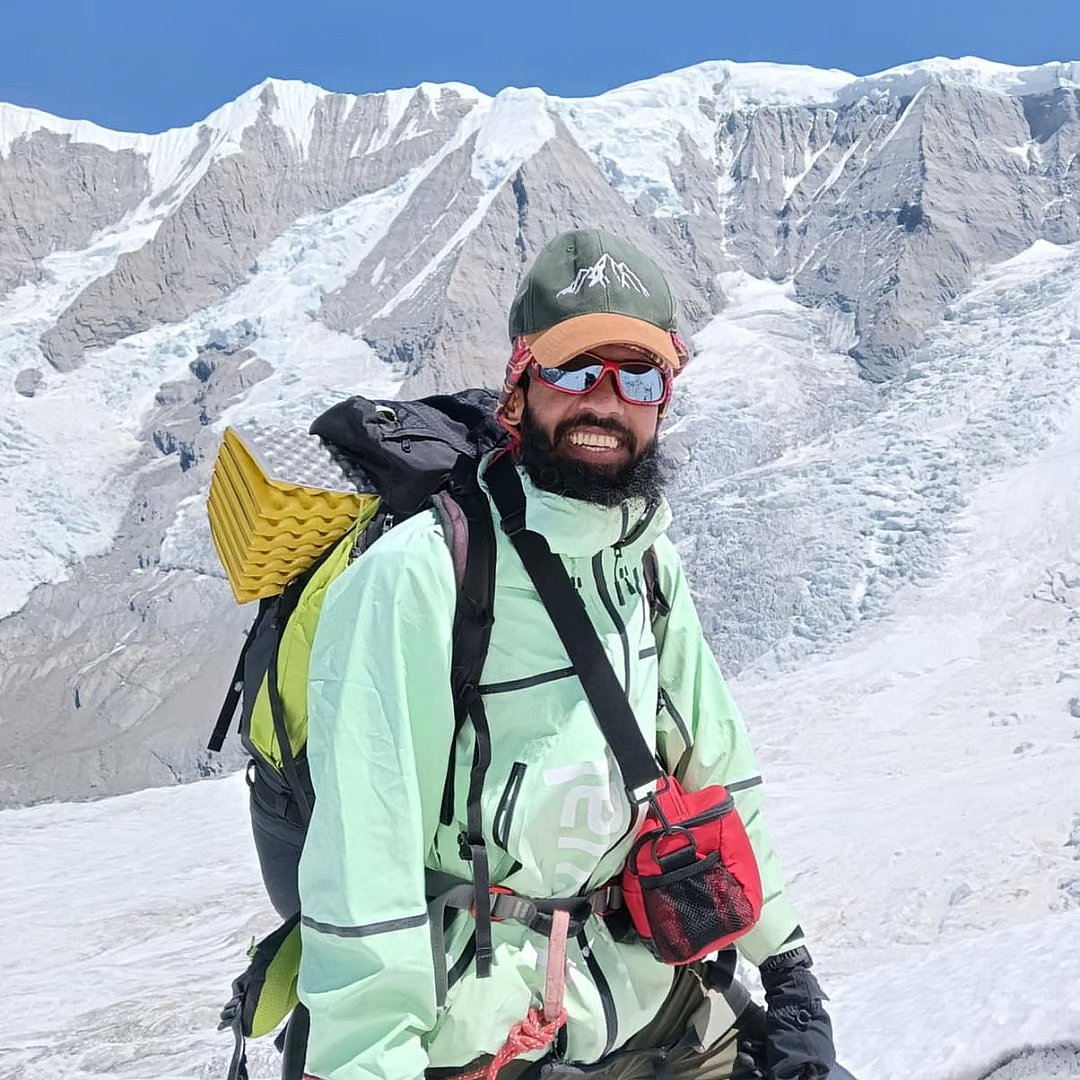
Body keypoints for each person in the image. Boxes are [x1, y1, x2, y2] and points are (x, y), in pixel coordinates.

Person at [295, 229, 836, 1080]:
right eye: (577, 371)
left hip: (644, 985)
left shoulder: (647, 561)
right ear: (520, 389)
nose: (606, 402)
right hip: (482, 1024)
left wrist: (791, 973)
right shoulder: (424, 575)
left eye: (639, 376)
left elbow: (718, 775)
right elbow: (365, 862)